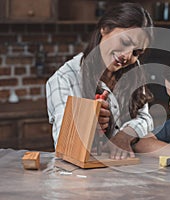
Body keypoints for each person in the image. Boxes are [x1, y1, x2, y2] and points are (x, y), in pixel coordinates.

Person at [46, 2, 154, 159]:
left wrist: (123, 136)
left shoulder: (134, 70)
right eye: (124, 42)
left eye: (137, 52)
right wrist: (89, 122)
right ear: (105, 28)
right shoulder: (64, 79)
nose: (127, 56)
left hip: (125, 170)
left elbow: (145, 118)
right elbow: (65, 145)